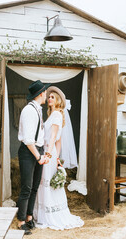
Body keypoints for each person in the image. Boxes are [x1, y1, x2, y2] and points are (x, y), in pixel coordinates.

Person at [34, 86, 84, 230]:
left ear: (58, 101)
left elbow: (55, 138)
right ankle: (43, 213)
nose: (49, 99)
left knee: (48, 184)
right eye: (48, 97)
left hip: (48, 153)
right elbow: (59, 142)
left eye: (52, 98)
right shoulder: (52, 114)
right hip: (49, 153)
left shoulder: (56, 115)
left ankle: (50, 214)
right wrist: (57, 158)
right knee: (45, 183)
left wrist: (49, 156)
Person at [17, 80, 50, 235]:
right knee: (27, 187)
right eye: (46, 92)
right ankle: (21, 221)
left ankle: (29, 218)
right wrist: (38, 157)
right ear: (41, 93)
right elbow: (29, 140)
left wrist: (42, 153)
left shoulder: (37, 109)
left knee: (35, 186)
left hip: (38, 150)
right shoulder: (29, 110)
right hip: (28, 151)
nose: (47, 95)